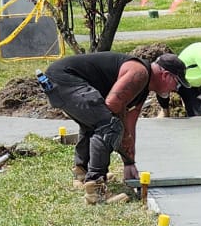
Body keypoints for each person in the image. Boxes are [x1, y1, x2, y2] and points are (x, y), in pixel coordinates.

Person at [38, 50, 187, 203]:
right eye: (176, 82)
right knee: (108, 125)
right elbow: (113, 104)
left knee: (95, 124)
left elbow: (130, 125)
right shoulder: (140, 73)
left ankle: (81, 173)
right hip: (64, 79)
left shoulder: (143, 88)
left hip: (59, 81)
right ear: (166, 75)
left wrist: (129, 162)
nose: (175, 89)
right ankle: (96, 189)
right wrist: (122, 132)